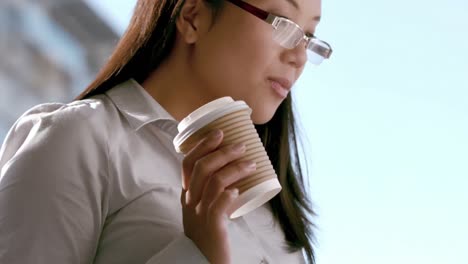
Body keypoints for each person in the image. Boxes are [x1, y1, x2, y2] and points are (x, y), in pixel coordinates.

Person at [0, 0, 332, 262]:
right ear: (192, 16)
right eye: (283, 23)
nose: (299, 57)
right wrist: (197, 251)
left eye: (309, 37)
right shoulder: (79, 138)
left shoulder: (270, 209)